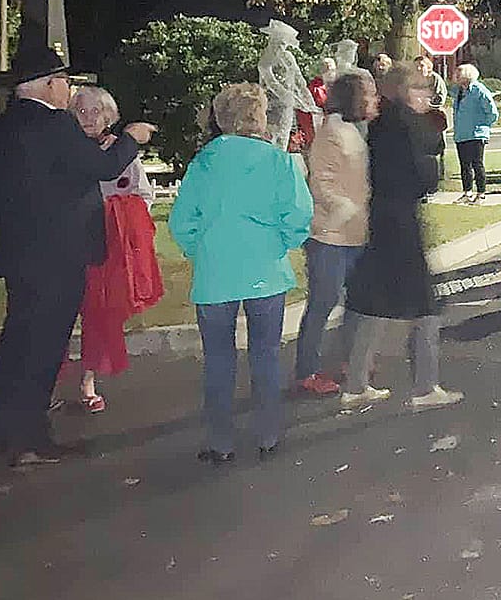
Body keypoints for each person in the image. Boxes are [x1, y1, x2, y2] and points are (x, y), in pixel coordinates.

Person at [0, 43, 154, 466]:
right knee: (44, 347)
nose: (69, 91)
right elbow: (101, 167)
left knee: (17, 341)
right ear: (51, 85)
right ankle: (31, 440)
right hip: (58, 255)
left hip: (19, 253)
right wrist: (131, 139)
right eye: (65, 82)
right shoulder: (55, 125)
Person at [170, 83, 312, 463]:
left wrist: (200, 248)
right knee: (265, 356)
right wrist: (280, 243)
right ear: (260, 117)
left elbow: (182, 221)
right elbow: (299, 215)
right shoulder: (277, 161)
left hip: (216, 274)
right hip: (265, 271)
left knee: (218, 360)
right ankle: (268, 434)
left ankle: (221, 442)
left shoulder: (204, 162)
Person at [339, 67, 464, 412]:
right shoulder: (407, 125)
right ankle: (425, 385)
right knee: (425, 306)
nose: (425, 95)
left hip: (380, 220)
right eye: (420, 88)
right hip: (402, 223)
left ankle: (356, 383)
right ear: (405, 90)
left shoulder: (378, 124)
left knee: (374, 304)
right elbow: (425, 175)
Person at [65, 86, 162, 413]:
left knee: (98, 319)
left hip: (107, 252)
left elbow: (144, 197)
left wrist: (120, 215)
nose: (90, 118)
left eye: (96, 111)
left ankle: (87, 381)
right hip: (68, 249)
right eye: (82, 111)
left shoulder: (124, 153)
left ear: (110, 115)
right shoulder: (66, 151)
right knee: (57, 317)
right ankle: (45, 383)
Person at [294, 71, 378, 397]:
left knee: (356, 303)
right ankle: (307, 371)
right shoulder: (332, 132)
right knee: (322, 304)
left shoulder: (359, 130)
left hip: (356, 234)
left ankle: (349, 360)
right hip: (329, 236)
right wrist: (348, 209)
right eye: (368, 94)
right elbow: (321, 183)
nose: (374, 99)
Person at [449, 63, 498, 204]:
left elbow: (492, 112)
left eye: (459, 74)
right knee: (465, 165)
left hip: (476, 134)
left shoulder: (479, 90)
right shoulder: (458, 91)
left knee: (477, 164)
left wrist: (484, 126)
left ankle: (481, 193)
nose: (456, 76)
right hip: (461, 134)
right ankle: (467, 192)